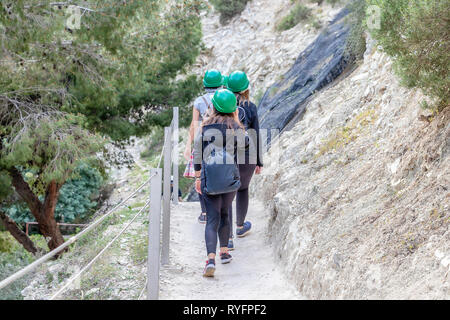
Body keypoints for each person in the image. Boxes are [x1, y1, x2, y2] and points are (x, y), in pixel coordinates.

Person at [193, 89, 248, 277]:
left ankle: (210, 259)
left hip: (210, 178)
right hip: (230, 178)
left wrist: (198, 177)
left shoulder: (206, 127)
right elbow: (247, 144)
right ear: (233, 108)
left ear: (213, 107)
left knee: (212, 218)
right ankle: (224, 252)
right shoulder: (235, 127)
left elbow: (197, 154)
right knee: (225, 213)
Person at [226, 71, 263, 250]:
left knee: (228, 194)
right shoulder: (251, 107)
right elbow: (256, 134)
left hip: (227, 154)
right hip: (247, 154)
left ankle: (228, 239)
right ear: (245, 88)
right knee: (243, 189)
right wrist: (259, 161)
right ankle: (240, 227)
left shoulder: (222, 105)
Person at [184, 69, 225, 224]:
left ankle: (204, 212)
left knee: (201, 175)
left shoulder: (199, 101)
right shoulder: (225, 97)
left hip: (203, 141)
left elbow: (194, 125)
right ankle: (221, 208)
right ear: (221, 83)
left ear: (205, 84)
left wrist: (188, 145)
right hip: (221, 140)